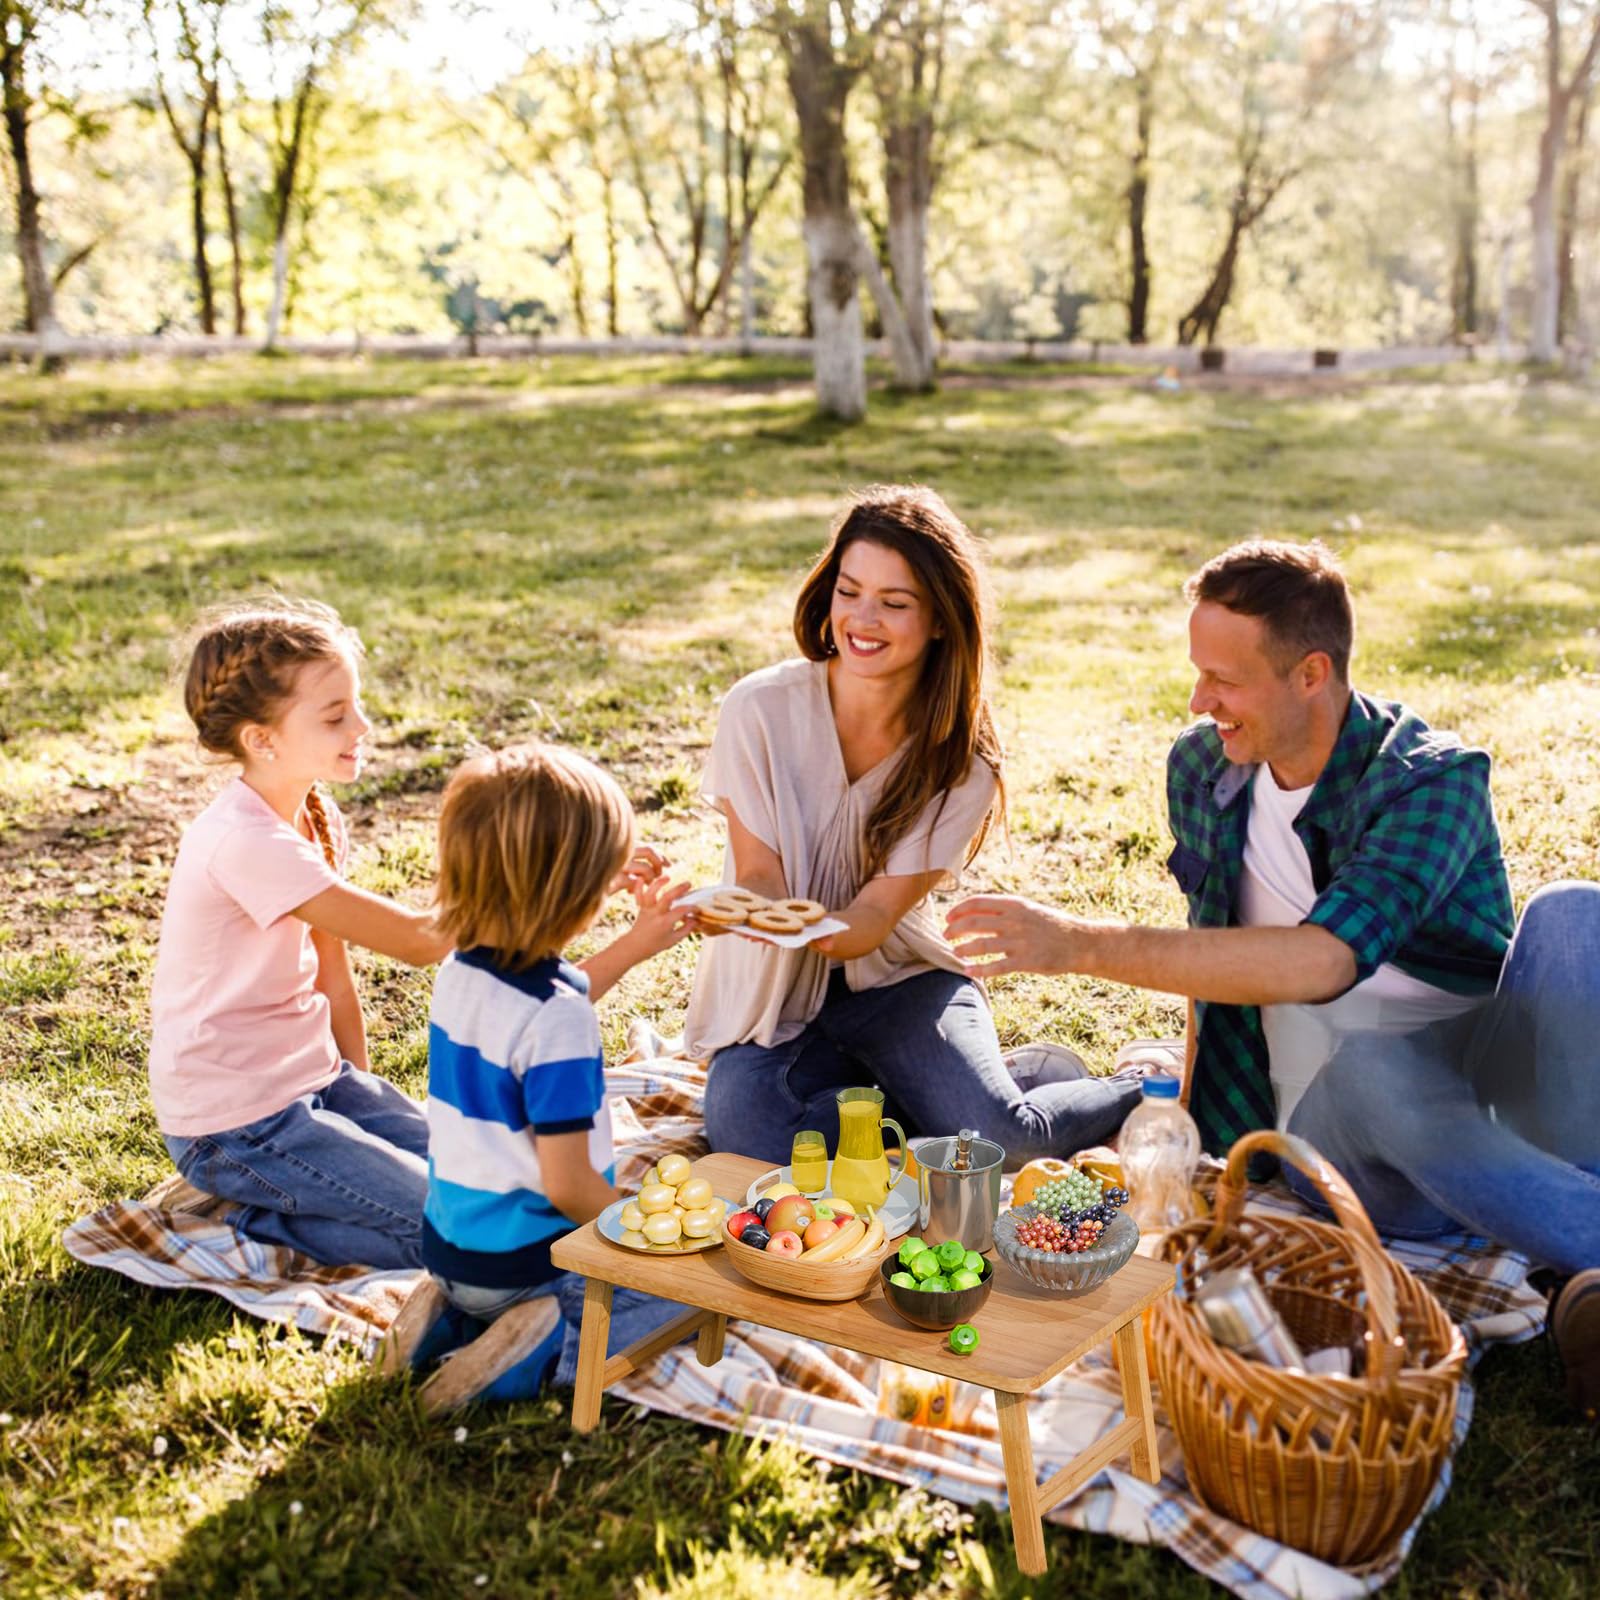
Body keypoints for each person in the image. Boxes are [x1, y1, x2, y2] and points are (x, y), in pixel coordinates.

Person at [946, 540, 1600, 1416]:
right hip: (1342, 1139)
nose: (1198, 701)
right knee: (1370, 1065)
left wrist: (1079, 942)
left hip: (1489, 1092)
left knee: (1572, 913)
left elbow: (1324, 960)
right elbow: (1210, 951)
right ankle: (1576, 1250)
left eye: (1224, 679)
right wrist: (1187, 1124)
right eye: (1198, 673)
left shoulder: (1430, 780)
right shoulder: (1204, 769)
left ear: (1311, 674)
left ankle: (1577, 1261)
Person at [685, 484, 1141, 1167]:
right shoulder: (758, 710)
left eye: (894, 603)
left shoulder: (962, 762)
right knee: (746, 1131)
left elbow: (870, 921)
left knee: (1005, 1143)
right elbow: (759, 877)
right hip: (773, 1001)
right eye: (849, 591)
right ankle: (970, 1097)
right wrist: (728, 912)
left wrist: (795, 923)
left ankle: (1138, 1086)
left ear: (939, 620)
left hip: (898, 981)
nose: (862, 620)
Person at [401, 742, 692, 1404]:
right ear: (574, 892)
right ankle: (539, 1331)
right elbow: (568, 1187)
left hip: (452, 1248)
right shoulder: (557, 1019)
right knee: (684, 1300)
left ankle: (442, 1314)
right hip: (531, 1263)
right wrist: (642, 1223)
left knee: (475, 1285)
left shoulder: (461, 971)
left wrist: (637, 941)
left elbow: (548, 1007)